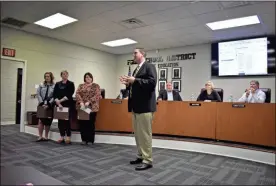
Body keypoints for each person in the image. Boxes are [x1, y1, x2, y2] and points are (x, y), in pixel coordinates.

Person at [119, 48, 157, 171]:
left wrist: (135, 80)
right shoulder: (136, 69)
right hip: (136, 107)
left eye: (135, 53)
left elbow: (152, 83)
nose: (133, 55)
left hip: (145, 107)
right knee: (138, 134)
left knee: (145, 135)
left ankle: (148, 160)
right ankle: (141, 156)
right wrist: (128, 83)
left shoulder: (149, 66)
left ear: (142, 54)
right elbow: (136, 85)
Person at [76, 72, 101, 145]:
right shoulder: (81, 85)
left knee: (90, 124)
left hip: (92, 107)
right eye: (86, 77)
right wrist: (81, 102)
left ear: (92, 78)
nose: (88, 78)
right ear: (84, 78)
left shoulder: (96, 86)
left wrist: (89, 102)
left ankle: (90, 140)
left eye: (89, 77)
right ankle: (84, 139)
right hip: (83, 107)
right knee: (82, 124)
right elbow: (77, 94)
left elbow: (97, 95)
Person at [53, 70, 75, 144]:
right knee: (60, 121)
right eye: (63, 74)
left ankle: (68, 137)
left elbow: (70, 94)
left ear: (68, 75)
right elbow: (54, 94)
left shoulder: (71, 84)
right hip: (59, 105)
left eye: (66, 74)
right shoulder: (57, 84)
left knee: (67, 121)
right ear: (61, 75)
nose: (64, 75)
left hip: (68, 104)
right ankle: (62, 136)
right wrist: (58, 103)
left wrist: (60, 101)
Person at [36, 72, 55, 142]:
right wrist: (41, 103)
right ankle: (40, 136)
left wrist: (48, 104)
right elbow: (38, 94)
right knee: (40, 121)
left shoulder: (54, 85)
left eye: (48, 76)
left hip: (50, 105)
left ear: (51, 77)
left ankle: (46, 136)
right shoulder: (41, 85)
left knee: (48, 121)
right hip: (41, 105)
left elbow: (55, 96)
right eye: (46, 76)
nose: (47, 77)